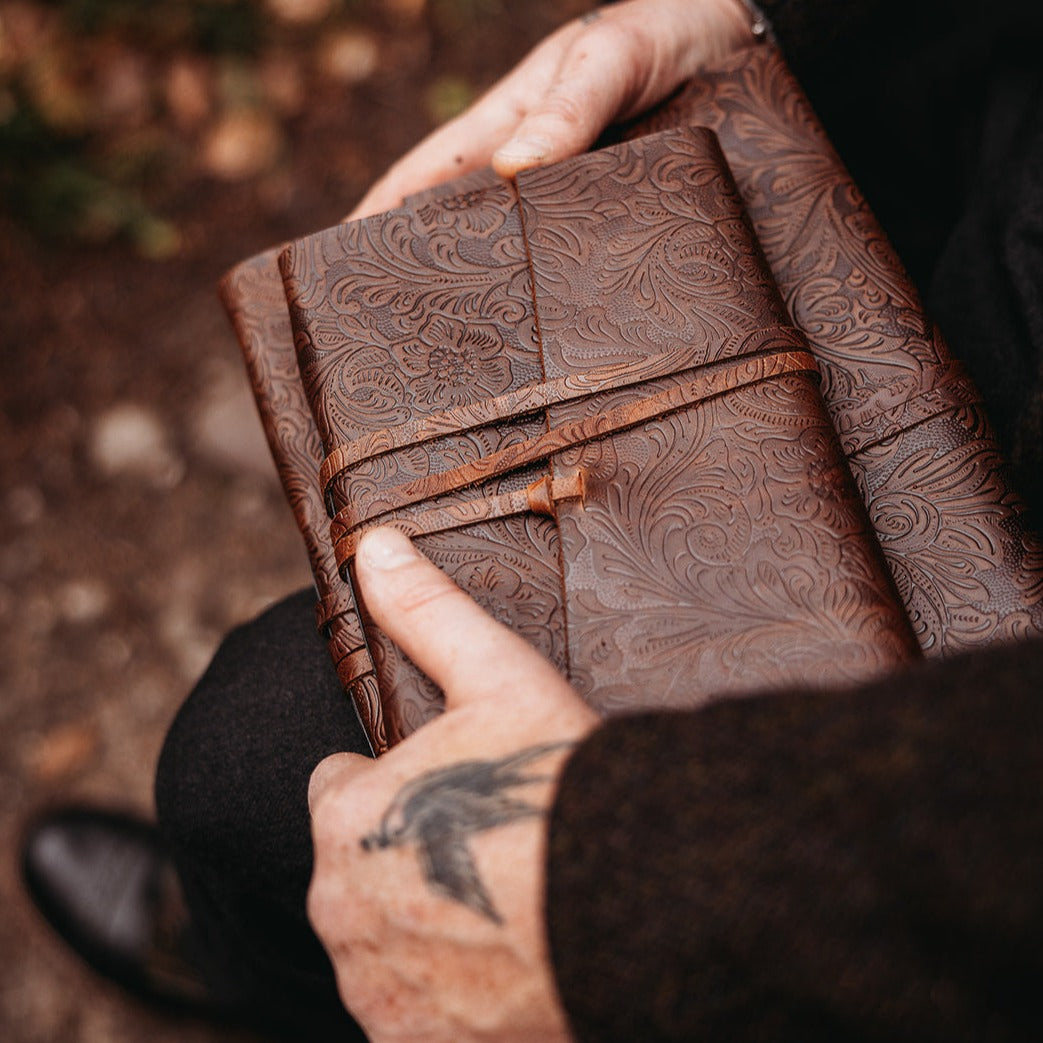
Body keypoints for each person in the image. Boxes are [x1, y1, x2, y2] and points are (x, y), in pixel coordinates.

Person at [22, 0, 1043, 1040]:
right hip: (960, 136)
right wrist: (762, 16)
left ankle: (313, 976)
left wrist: (605, 893)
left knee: (251, 768)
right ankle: (291, 962)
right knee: (255, 785)